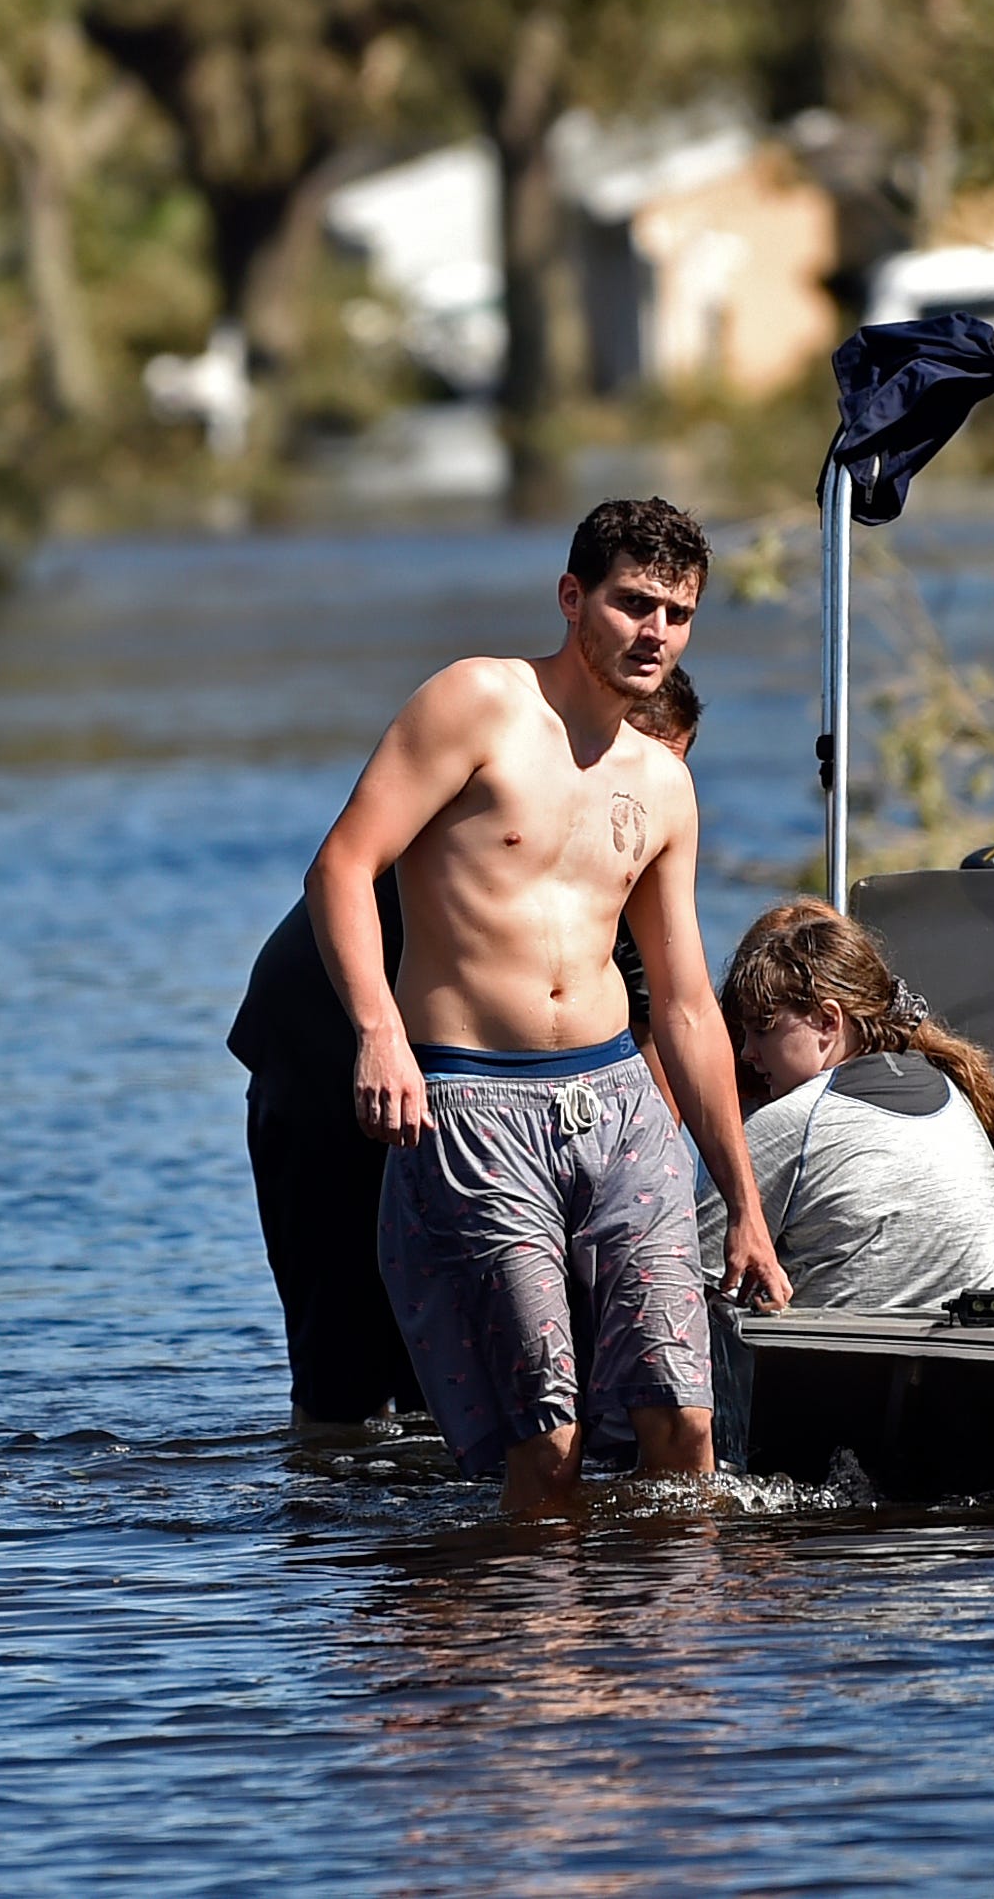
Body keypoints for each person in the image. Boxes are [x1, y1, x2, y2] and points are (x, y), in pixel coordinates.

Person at [303, 498, 785, 1518]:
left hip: (617, 1102)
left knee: (683, 1420)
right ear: (574, 598)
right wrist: (380, 1033)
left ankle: (666, 1662)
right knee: (550, 1436)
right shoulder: (477, 701)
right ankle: (543, 1666)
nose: (656, 630)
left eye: (679, 612)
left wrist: (744, 1204)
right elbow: (343, 865)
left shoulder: (663, 782)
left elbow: (689, 1004)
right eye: (633, 602)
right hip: (478, 1102)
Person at [224, 668, 705, 1433]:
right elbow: (338, 867)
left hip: (461, 1082)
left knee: (465, 1362)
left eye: (673, 767)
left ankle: (458, 1525)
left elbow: (660, 1033)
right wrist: (376, 1037)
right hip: (317, 1057)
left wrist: (636, 1192)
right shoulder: (503, 789)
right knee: (343, 1362)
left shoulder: (633, 827)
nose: (645, 788)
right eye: (644, 758)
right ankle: (327, 1526)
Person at [709, 897, 994, 1312]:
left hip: (862, 1363)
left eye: (762, 1029)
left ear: (827, 1021)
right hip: (990, 1355)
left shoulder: (794, 1122)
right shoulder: (952, 1087)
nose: (747, 1051)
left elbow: (692, 1274)